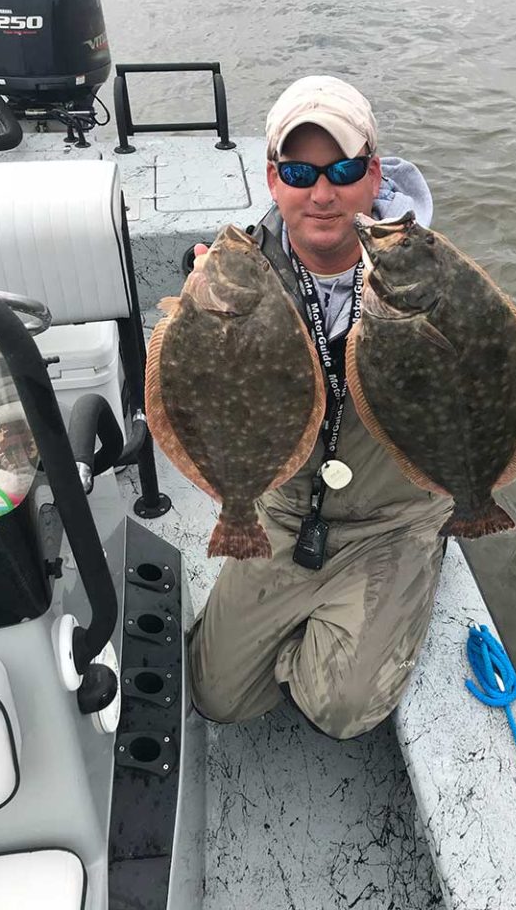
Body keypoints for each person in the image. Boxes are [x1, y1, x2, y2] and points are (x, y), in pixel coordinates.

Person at [187, 75, 453, 740]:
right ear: (273, 179)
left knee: (338, 710)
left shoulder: (428, 273)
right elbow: (193, 403)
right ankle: (312, 629)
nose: (323, 191)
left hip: (386, 521)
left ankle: (425, 552)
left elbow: (479, 392)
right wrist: (201, 323)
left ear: (374, 173)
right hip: (281, 512)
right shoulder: (239, 270)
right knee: (216, 696)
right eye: (301, 171)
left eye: (342, 167)